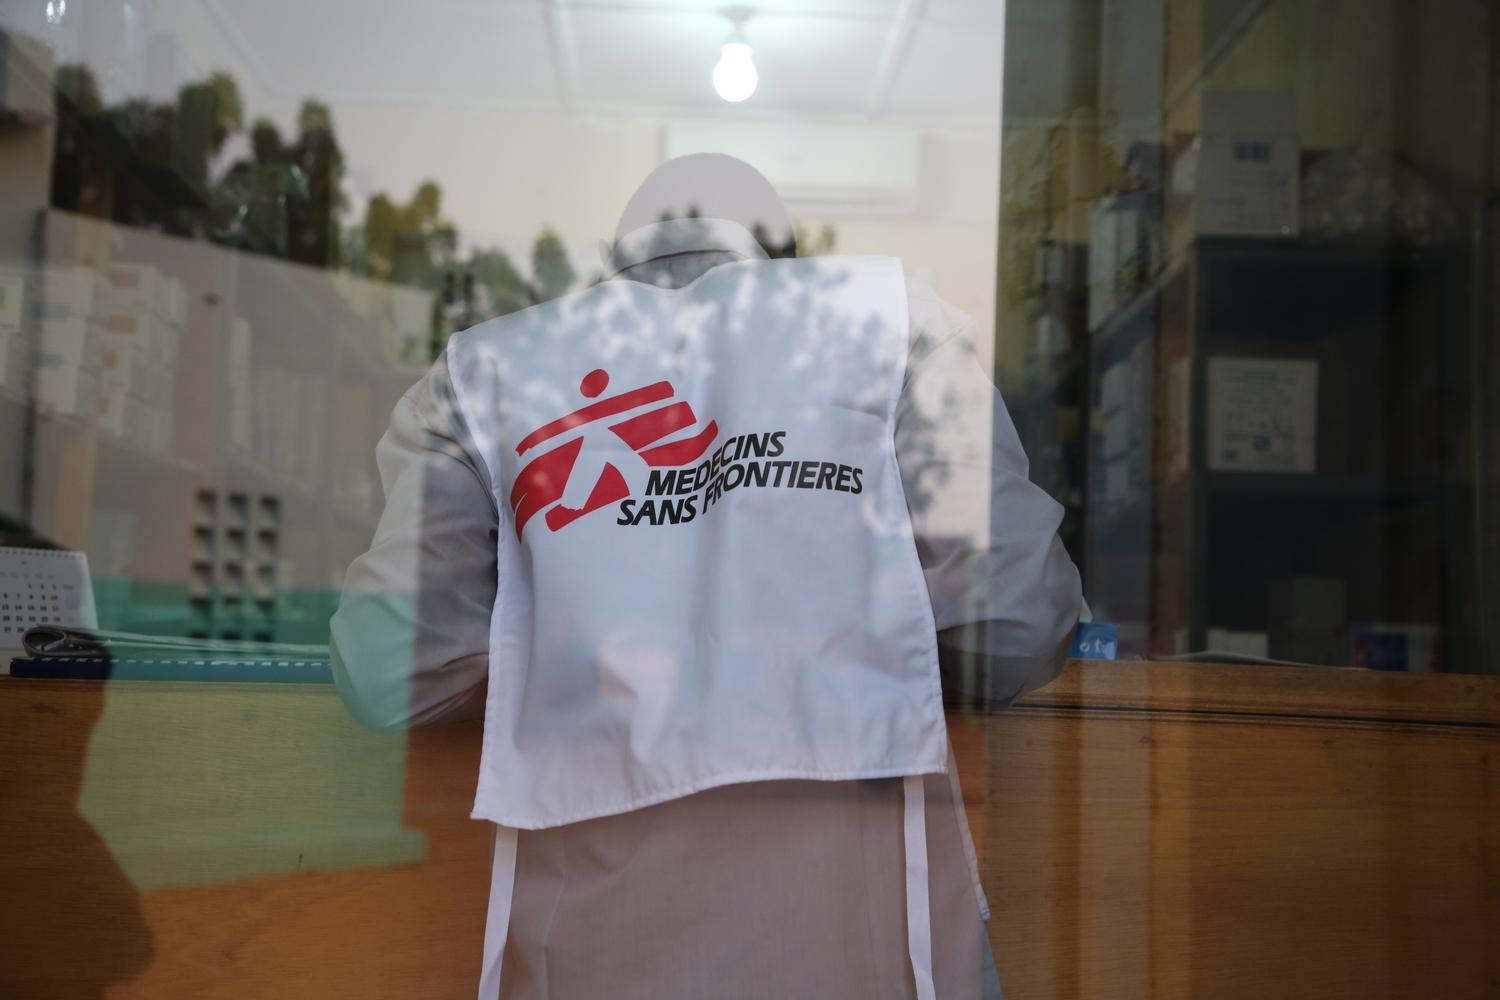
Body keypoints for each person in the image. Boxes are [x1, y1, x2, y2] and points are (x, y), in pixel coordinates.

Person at [330, 153, 1082, 999]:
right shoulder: (888, 320)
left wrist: (568, 615)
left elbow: (384, 668)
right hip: (861, 950)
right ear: (781, 255)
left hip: (588, 957)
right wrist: (838, 652)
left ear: (616, 261)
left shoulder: (482, 376)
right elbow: (1017, 623)